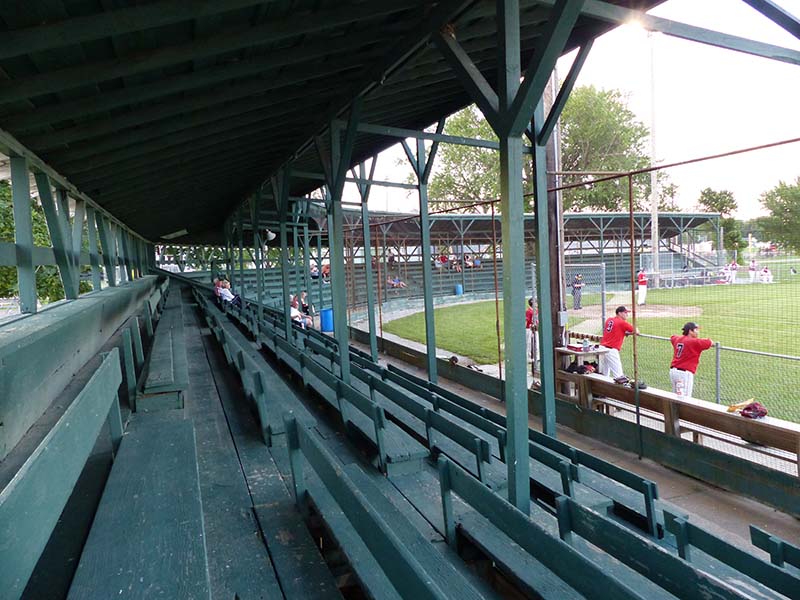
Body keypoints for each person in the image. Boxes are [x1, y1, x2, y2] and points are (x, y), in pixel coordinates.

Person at [669, 322, 713, 398]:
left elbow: (672, 337)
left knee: (676, 397)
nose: (698, 332)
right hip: (684, 374)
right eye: (696, 330)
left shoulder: (677, 339)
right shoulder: (694, 342)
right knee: (685, 399)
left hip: (673, 372)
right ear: (690, 331)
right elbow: (709, 342)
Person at [599, 306, 637, 379]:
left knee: (604, 374)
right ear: (619, 313)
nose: (627, 315)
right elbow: (636, 331)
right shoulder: (622, 323)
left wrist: (625, 332)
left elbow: (616, 330)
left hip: (602, 348)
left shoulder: (609, 320)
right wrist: (629, 332)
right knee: (619, 375)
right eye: (625, 313)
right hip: (611, 350)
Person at [525, 297, 539, 367]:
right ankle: (528, 357)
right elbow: (526, 321)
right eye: (535, 302)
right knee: (529, 343)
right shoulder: (529, 311)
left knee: (536, 343)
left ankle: (537, 357)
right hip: (529, 329)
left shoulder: (536, 310)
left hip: (535, 329)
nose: (536, 303)